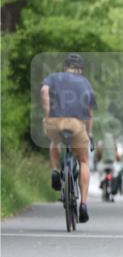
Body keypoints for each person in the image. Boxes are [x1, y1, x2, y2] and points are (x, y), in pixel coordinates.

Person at [41, 53, 96, 222]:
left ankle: (56, 170)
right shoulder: (85, 83)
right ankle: (84, 205)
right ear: (80, 69)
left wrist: (48, 112)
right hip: (76, 124)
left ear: (65, 67)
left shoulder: (54, 77)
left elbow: (44, 90)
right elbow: (89, 112)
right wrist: (89, 133)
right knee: (84, 161)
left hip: (55, 121)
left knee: (55, 141)